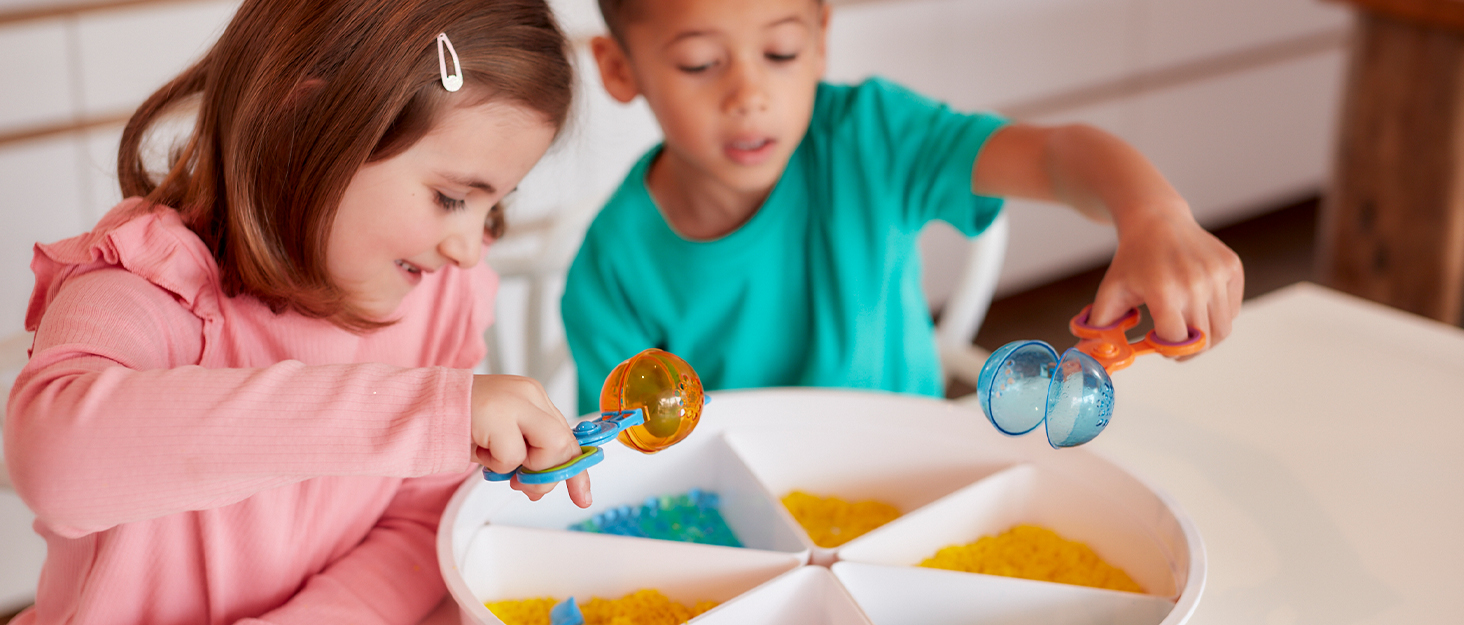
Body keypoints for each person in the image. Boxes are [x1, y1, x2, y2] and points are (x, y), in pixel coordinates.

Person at [3, 1, 593, 623]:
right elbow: (55, 464)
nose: (469, 247)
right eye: (450, 197)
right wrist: (419, 412)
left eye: (492, 206)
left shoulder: (437, 300)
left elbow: (419, 527)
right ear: (304, 123)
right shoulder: (147, 280)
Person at [561, 0, 1245, 414]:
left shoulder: (872, 136)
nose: (750, 94)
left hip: (914, 494)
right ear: (620, 69)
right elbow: (639, 460)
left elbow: (1053, 156)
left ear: (821, 37)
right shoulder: (610, 270)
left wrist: (1153, 215)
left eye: (780, 51)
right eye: (701, 63)